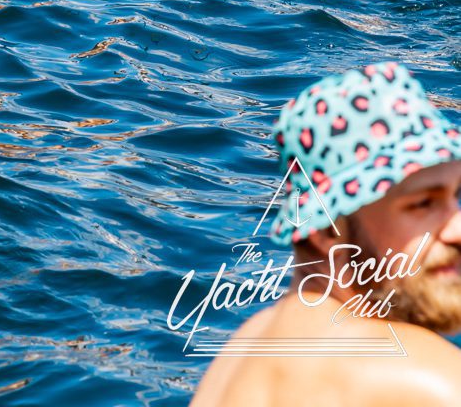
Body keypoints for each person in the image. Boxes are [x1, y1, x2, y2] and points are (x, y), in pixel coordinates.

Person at [189, 62, 461, 404]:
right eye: (423, 204)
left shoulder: (246, 347)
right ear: (325, 231)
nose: (457, 229)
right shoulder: (420, 379)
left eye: (457, 196)